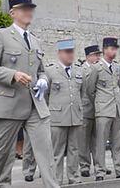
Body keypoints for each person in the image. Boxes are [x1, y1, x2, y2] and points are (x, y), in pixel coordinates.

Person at [0, 0, 59, 188]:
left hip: (35, 106)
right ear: (13, 13)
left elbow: (41, 70)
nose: (29, 12)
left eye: (30, 9)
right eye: (24, 9)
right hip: (9, 103)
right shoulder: (1, 35)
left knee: (46, 153)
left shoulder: (35, 40)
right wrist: (12, 75)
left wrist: (43, 80)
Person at [85, 37, 120, 181]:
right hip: (103, 109)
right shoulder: (96, 68)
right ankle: (100, 171)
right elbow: (90, 90)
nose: (114, 51)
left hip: (118, 109)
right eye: (111, 49)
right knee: (100, 143)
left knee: (118, 142)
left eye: (115, 49)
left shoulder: (117, 68)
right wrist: (99, 104)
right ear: (104, 50)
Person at [45, 39, 84, 185]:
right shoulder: (50, 71)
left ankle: (74, 177)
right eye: (67, 52)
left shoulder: (78, 71)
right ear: (59, 53)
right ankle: (56, 179)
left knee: (74, 149)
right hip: (57, 116)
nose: (70, 55)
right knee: (57, 151)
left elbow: (83, 92)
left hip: (75, 115)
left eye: (72, 51)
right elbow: (45, 95)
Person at [78, 45, 107, 177]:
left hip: (99, 109)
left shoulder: (100, 69)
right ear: (88, 56)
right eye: (96, 55)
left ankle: (99, 165)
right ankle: (84, 166)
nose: (98, 57)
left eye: (99, 55)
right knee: (83, 139)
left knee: (98, 140)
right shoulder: (81, 70)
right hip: (85, 108)